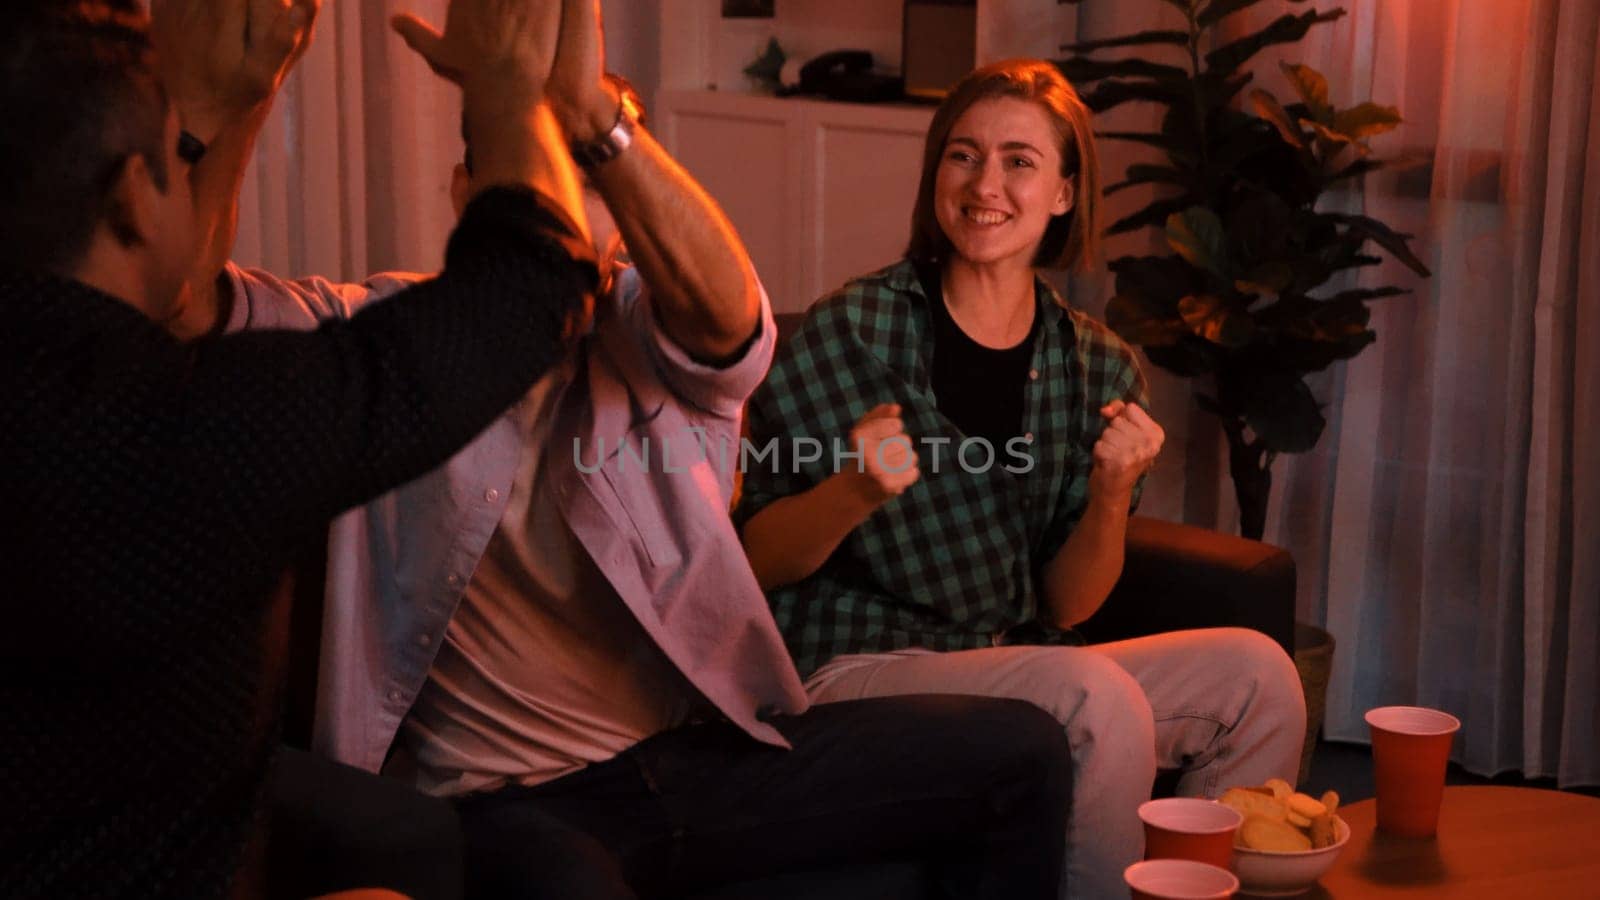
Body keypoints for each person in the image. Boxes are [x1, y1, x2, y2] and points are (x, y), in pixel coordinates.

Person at [173, 3, 1076, 899]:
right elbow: (186, 309)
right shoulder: (377, 339)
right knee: (568, 880)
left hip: (698, 760)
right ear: (465, 193)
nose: (575, 208)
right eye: (544, 175)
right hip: (509, 800)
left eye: (594, 183)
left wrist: (597, 119)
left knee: (1022, 750)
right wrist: (233, 106)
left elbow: (734, 322)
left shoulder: (654, 330)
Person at [0, 0, 600, 895]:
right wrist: (508, 86)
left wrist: (202, 107)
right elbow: (533, 284)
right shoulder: (197, 432)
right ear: (132, 195)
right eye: (176, 159)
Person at [736, 58, 1307, 899]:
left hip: (1009, 656)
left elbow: (1067, 608)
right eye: (962, 156)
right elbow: (750, 562)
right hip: (849, 663)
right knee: (1091, 692)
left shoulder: (1097, 367)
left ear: (1066, 193)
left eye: (1019, 160)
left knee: (1259, 678)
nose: (984, 184)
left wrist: (1112, 494)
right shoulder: (851, 330)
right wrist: (851, 491)